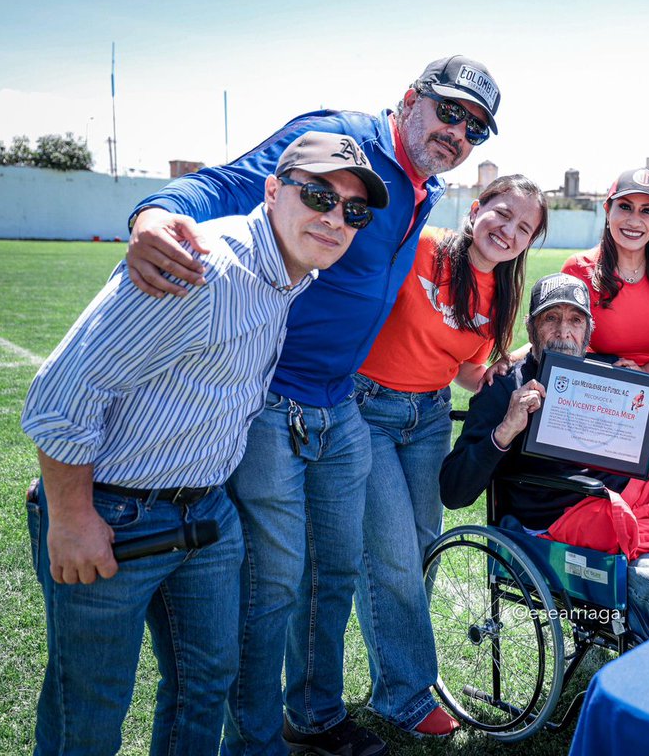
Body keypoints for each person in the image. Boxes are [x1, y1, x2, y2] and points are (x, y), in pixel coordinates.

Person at [123, 55, 502, 755]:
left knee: (333, 576)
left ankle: (316, 717)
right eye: (449, 111)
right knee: (271, 587)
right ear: (411, 98)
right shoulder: (341, 140)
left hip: (342, 405)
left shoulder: (424, 185)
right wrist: (154, 214)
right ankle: (254, 740)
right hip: (272, 399)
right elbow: (227, 184)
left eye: (474, 128)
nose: (458, 132)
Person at [20, 133, 386, 755]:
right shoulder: (209, 265)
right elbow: (63, 393)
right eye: (319, 195)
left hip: (207, 513)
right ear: (273, 190)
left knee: (206, 686)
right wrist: (73, 516)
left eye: (353, 210)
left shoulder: (287, 277)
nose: (335, 219)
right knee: (88, 708)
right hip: (111, 508)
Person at [439, 273, 649, 639]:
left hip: (637, 510)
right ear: (532, 327)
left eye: (575, 320)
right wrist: (506, 429)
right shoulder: (505, 387)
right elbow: (454, 491)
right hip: (567, 527)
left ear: (588, 330)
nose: (563, 331)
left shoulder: (612, 372)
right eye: (550, 318)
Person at [352, 175, 547, 737]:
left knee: (422, 549)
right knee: (391, 553)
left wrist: (502, 367)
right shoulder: (422, 246)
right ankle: (407, 695)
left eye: (524, 228)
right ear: (477, 207)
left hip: (430, 417)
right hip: (368, 408)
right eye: (502, 214)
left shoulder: (502, 294)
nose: (508, 231)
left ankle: (397, 676)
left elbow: (465, 369)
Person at [561, 168, 649, 398]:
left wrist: (644, 374)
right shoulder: (578, 269)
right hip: (596, 393)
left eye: (647, 211)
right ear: (608, 210)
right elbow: (556, 335)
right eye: (625, 207)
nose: (634, 221)